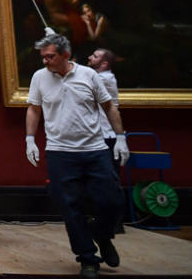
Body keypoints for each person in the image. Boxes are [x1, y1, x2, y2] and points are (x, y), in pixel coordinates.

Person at [26, 33, 129, 279]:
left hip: (94, 149)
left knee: (112, 200)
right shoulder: (39, 77)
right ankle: (87, 259)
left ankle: (102, 235)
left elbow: (108, 106)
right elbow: (33, 108)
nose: (45, 61)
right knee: (71, 208)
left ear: (65, 55)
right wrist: (30, 139)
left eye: (50, 56)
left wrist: (120, 137)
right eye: (43, 57)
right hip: (60, 152)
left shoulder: (88, 75)